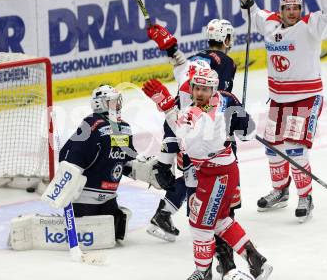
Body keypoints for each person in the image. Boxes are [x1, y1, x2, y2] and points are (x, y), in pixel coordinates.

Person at [229, 0, 327, 222]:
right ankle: (280, 191)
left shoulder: (311, 25)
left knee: (294, 148)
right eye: (287, 8)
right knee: (272, 149)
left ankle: (305, 196)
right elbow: (252, 13)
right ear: (280, 10)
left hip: (306, 97)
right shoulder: (270, 24)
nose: (292, 12)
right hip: (278, 100)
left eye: (296, 8)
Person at [142, 67, 273, 280]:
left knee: (200, 225)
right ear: (191, 88)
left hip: (216, 176)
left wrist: (167, 106)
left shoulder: (197, 111)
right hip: (218, 171)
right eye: (197, 88)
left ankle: (203, 274)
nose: (200, 92)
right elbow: (246, 133)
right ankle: (257, 261)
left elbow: (182, 130)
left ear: (214, 90)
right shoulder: (215, 102)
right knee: (220, 221)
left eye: (205, 89)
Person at [145, 20, 240, 276]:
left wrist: (171, 47)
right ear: (227, 39)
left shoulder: (193, 62)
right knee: (216, 204)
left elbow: (180, 71)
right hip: (209, 142)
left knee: (197, 194)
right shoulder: (224, 64)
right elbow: (220, 104)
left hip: (185, 138)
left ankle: (205, 260)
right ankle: (223, 261)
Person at [37, 85, 174, 246]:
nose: (117, 105)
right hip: (85, 199)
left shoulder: (124, 127)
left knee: (115, 234)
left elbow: (124, 159)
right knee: (97, 239)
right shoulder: (92, 124)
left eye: (118, 101)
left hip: (109, 199)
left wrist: (145, 171)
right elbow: (73, 155)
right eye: (112, 101)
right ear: (99, 103)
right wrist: (68, 178)